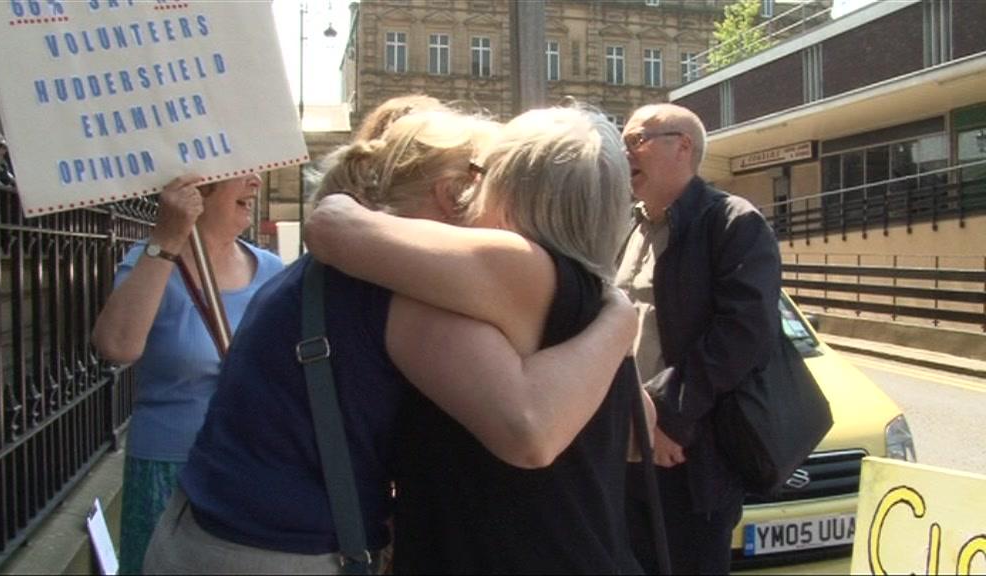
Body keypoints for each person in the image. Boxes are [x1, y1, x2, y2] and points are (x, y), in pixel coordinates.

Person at [142, 107, 639, 574]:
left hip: (211, 528)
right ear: (453, 192)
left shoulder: (329, 273)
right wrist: (619, 318)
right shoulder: (406, 285)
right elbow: (535, 429)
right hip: (272, 552)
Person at [304, 104, 644, 573]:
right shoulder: (593, 299)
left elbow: (331, 228)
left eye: (480, 172)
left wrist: (347, 198)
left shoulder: (511, 267)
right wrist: (620, 318)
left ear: (507, 185)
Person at [616, 103, 782, 574]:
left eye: (636, 141)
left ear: (682, 146)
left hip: (687, 453)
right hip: (624, 447)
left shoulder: (733, 222)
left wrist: (667, 418)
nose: (625, 153)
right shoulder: (625, 225)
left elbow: (743, 335)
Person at [90, 173, 284, 575]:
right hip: (169, 470)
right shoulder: (152, 260)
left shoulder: (271, 271)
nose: (256, 182)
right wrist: (168, 239)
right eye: (242, 171)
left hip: (249, 466)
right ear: (201, 187)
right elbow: (116, 346)